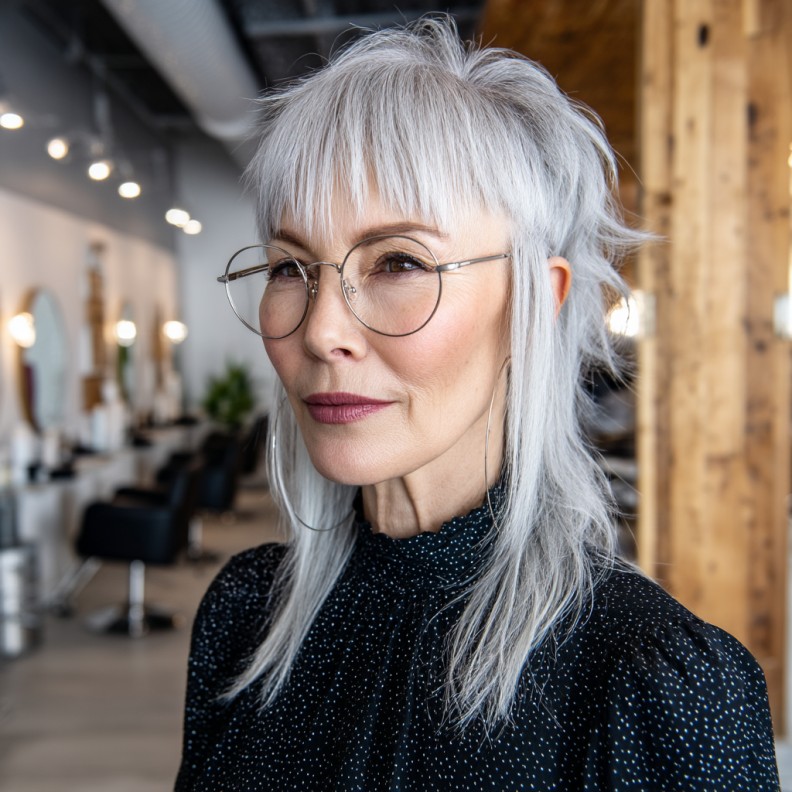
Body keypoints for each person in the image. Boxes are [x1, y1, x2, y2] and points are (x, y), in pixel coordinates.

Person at [176, 17, 779, 791]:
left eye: (398, 261)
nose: (323, 331)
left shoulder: (650, 686)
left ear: (537, 303)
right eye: (292, 267)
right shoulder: (244, 618)